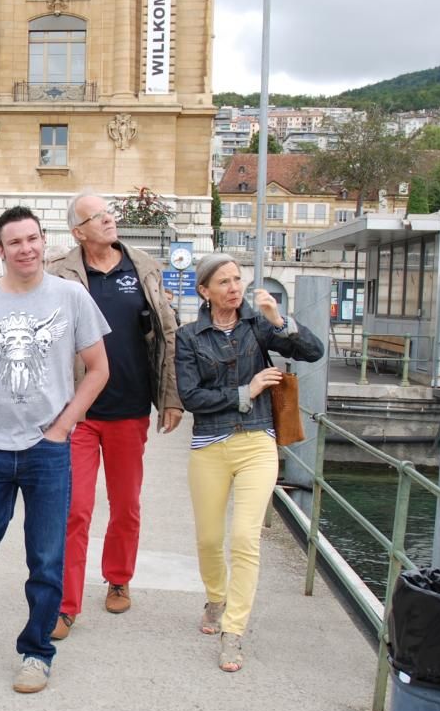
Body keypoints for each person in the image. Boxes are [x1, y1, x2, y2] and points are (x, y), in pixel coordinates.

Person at [0, 206, 110, 694]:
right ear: (1, 250)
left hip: (47, 451)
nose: (26, 249)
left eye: (33, 239)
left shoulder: (71, 297)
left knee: (47, 558)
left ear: (44, 240)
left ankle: (35, 651)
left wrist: (63, 426)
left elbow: (98, 369)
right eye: (15, 242)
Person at [175, 252, 323, 673]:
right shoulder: (189, 337)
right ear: (204, 291)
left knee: (244, 538)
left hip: (258, 441)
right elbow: (191, 397)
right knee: (208, 539)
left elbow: (313, 352)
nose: (234, 288)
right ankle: (216, 598)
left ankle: (233, 632)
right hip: (210, 444)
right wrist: (249, 388)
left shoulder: (258, 328)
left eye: (237, 279)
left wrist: (279, 319)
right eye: (223, 282)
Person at [45, 191, 183, 640]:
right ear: (78, 231)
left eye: (109, 213)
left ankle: (118, 577)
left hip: (129, 407)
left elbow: (167, 334)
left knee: (125, 505)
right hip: (78, 412)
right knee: (75, 509)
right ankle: (66, 604)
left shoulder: (141, 266)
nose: (108, 220)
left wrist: (171, 397)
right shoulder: (60, 274)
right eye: (97, 216)